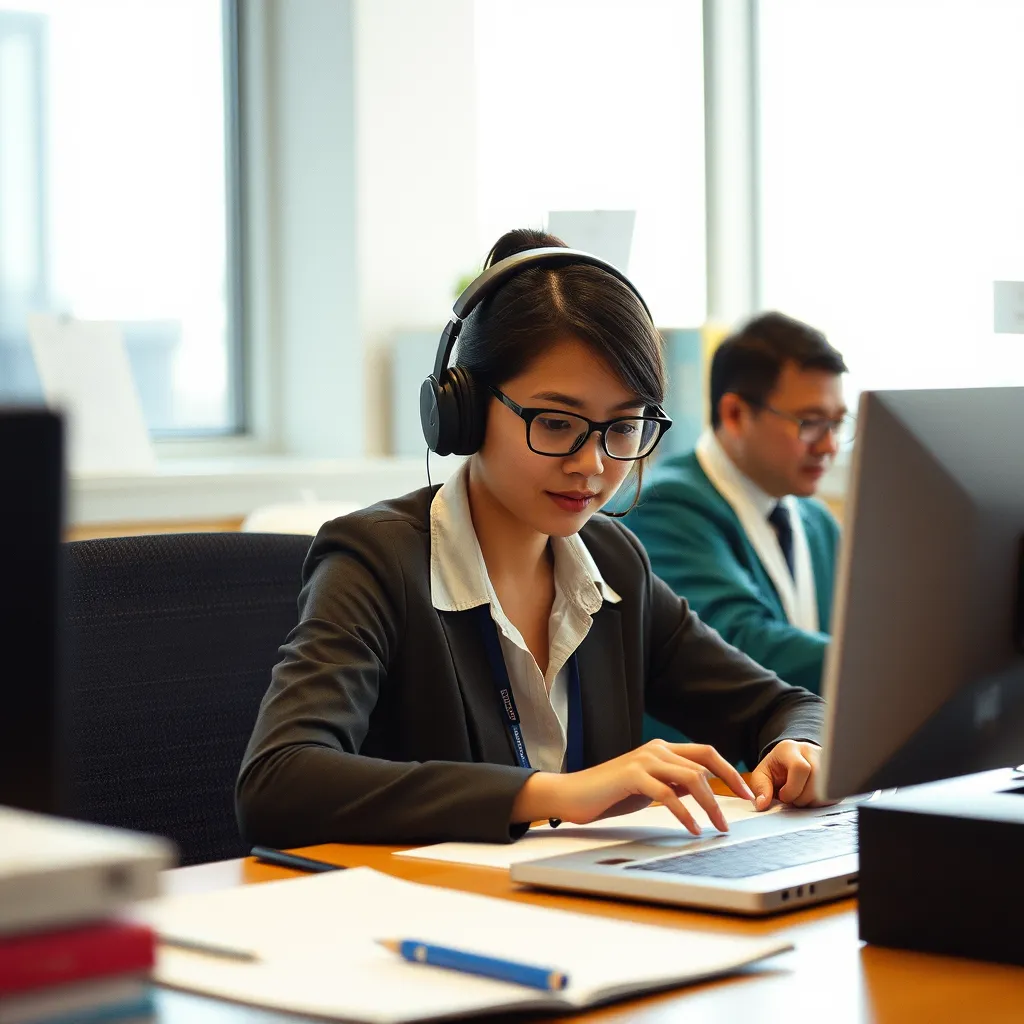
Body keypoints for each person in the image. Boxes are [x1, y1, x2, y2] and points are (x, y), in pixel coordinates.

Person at [236, 231, 826, 849]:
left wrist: (798, 747)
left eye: (622, 428)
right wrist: (555, 793)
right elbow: (278, 783)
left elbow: (785, 706)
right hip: (424, 912)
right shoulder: (377, 561)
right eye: (555, 422)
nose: (592, 464)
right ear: (462, 409)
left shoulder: (614, 564)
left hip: (586, 910)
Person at [624, 312, 848, 697]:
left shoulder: (817, 523)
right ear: (735, 414)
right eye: (810, 422)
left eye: (837, 423)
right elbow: (738, 642)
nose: (828, 446)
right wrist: (897, 661)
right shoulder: (666, 506)